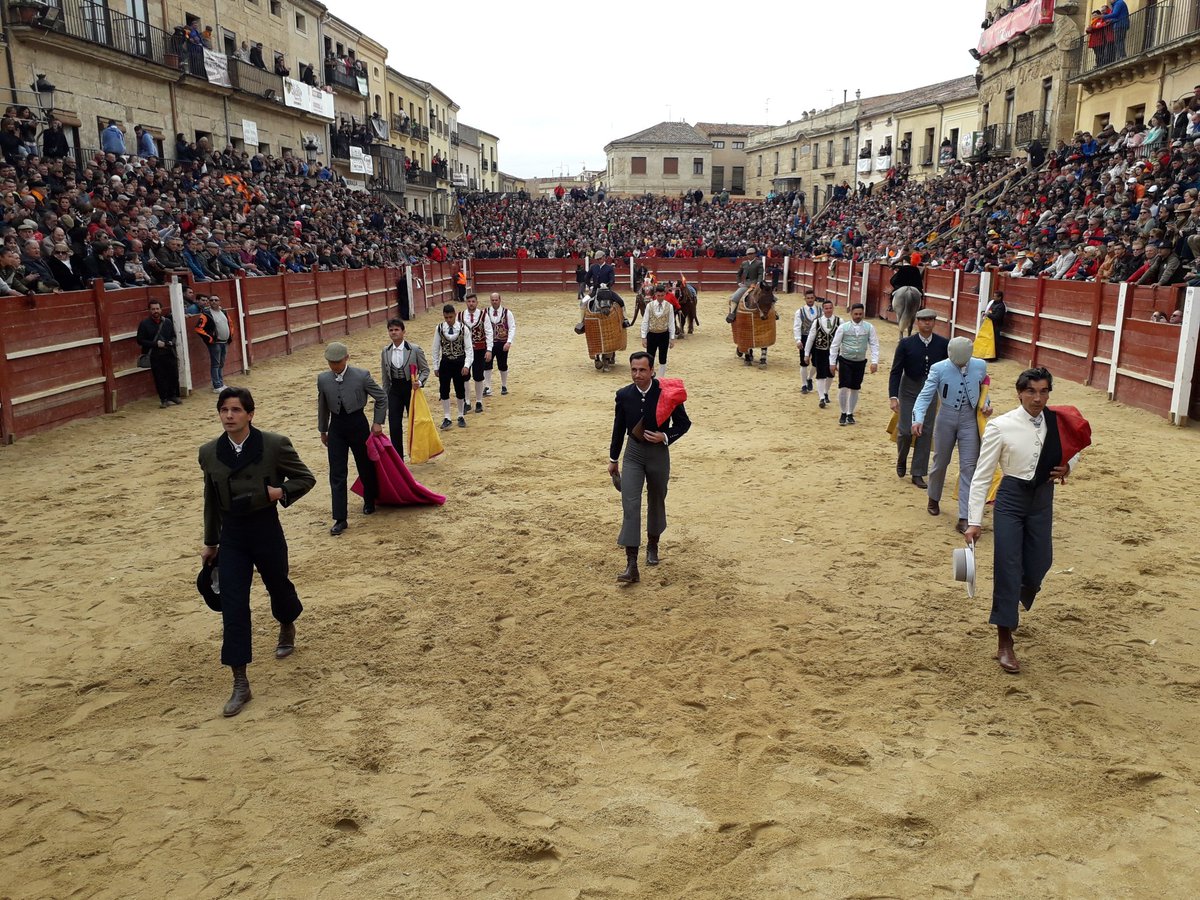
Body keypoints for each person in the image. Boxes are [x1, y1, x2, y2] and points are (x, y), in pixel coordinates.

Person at [199, 386, 315, 716]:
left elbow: (305, 478)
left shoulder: (273, 445)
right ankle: (240, 683)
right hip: (233, 534)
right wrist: (211, 543)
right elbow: (210, 501)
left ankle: (287, 622)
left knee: (278, 585)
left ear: (250, 414)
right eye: (224, 410)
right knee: (234, 605)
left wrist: (281, 491)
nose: (229, 416)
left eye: (236, 410)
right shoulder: (209, 452)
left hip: (265, 527)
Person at [965, 368, 1081, 674]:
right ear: (1020, 392)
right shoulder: (1001, 426)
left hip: (1043, 499)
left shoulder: (1057, 421)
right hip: (1012, 500)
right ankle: (1005, 639)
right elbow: (982, 476)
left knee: (1041, 562)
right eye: (1031, 391)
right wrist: (974, 520)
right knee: (1007, 566)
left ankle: (1013, 599)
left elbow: (1073, 450)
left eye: (1044, 392)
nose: (1038, 398)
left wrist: (1068, 466)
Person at [607, 351, 691, 584]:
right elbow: (618, 428)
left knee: (656, 499)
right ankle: (631, 564)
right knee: (630, 503)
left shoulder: (667, 393)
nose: (637, 375)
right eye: (633, 370)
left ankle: (652, 545)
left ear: (652, 370)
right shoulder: (623, 395)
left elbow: (684, 424)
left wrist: (665, 436)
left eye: (642, 370)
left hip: (657, 454)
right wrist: (613, 459)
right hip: (632, 453)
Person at [913, 336, 992, 533]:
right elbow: (925, 395)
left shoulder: (980, 366)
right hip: (946, 418)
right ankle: (933, 496)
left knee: (969, 467)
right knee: (940, 461)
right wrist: (918, 418)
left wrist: (986, 406)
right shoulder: (939, 368)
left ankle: (965, 516)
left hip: (969, 419)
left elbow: (983, 391)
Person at [317, 342, 387, 536]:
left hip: (358, 424)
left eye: (337, 362)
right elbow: (322, 406)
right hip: (336, 427)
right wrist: (323, 430)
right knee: (337, 472)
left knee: (365, 465)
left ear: (347, 358)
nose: (334, 366)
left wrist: (378, 422)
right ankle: (340, 518)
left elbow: (381, 397)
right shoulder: (323, 379)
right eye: (331, 363)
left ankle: (369, 500)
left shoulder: (361, 376)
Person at [889, 308, 949, 486]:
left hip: (930, 391)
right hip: (908, 389)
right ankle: (902, 458)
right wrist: (893, 396)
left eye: (930, 320)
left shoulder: (943, 344)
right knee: (906, 430)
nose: (927, 323)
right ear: (917, 322)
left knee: (925, 430)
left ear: (934, 322)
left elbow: (948, 369)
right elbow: (896, 371)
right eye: (923, 320)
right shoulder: (906, 343)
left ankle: (918, 472)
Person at [380, 317, 430, 458]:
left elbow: (425, 370)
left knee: (416, 423)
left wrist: (419, 382)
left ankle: (418, 454)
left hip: (411, 390)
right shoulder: (385, 351)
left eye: (397, 330)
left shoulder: (414, 349)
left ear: (403, 332)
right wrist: (384, 396)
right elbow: (385, 377)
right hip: (394, 390)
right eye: (391, 330)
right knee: (394, 425)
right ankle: (398, 459)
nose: (394, 333)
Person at [828, 302, 880, 425]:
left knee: (855, 388)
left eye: (860, 314)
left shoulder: (869, 327)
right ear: (851, 314)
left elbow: (874, 344)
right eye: (855, 314)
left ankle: (850, 413)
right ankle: (843, 412)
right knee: (844, 387)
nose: (858, 316)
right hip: (845, 360)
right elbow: (834, 346)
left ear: (863, 314)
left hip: (860, 361)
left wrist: (874, 362)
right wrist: (832, 362)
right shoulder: (843, 327)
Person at [430, 302, 472, 429]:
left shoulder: (464, 329)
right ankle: (447, 416)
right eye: (446, 318)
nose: (448, 320)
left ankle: (460, 415)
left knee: (460, 389)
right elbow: (435, 349)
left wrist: (466, 365)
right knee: (444, 389)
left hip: (460, 362)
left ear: (455, 315)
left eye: (450, 317)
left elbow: (469, 349)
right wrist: (436, 366)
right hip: (446, 362)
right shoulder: (439, 329)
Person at [136, 299, 181, 408]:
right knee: (160, 378)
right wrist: (155, 344)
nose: (155, 311)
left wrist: (171, 342)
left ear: (161, 309)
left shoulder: (168, 322)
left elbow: (174, 336)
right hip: (155, 355)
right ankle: (164, 399)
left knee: (173, 375)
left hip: (169, 352)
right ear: (149, 310)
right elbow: (140, 340)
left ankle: (173, 396)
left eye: (157, 308)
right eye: (153, 309)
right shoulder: (144, 324)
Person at [803, 299, 841, 409]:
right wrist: (806, 353)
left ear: (832, 309)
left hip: (834, 352)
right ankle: (821, 398)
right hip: (820, 351)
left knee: (831, 374)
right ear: (823, 310)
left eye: (830, 308)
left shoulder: (840, 321)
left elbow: (844, 339)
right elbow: (810, 338)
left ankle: (825, 392)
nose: (828, 310)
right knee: (820, 374)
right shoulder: (817, 322)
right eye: (826, 308)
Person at [193, 294, 234, 392]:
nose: (214, 302)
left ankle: (220, 383)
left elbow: (230, 324)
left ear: (219, 302)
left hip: (224, 342)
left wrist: (230, 336)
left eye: (216, 300)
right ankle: (217, 385)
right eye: (211, 300)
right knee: (216, 364)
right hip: (215, 343)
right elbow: (198, 328)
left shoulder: (224, 312)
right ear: (209, 302)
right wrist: (210, 339)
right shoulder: (206, 314)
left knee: (221, 363)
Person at [458, 293, 491, 413]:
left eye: (473, 301)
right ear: (466, 303)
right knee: (465, 376)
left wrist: (489, 349)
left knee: (478, 376)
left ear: (477, 303)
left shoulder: (483, 315)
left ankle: (478, 401)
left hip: (479, 349)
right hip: (465, 351)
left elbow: (489, 333)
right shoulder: (460, 316)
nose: (471, 304)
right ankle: (467, 401)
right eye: (469, 302)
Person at [483, 291, 516, 396]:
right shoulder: (485, 312)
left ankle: (504, 385)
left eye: (496, 300)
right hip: (489, 344)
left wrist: (509, 342)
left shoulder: (507, 313)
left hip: (502, 343)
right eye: (492, 300)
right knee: (487, 365)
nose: (494, 302)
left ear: (500, 300)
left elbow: (512, 328)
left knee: (502, 364)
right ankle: (487, 387)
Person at [640, 286, 676, 379]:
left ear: (665, 295)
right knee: (650, 357)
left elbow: (671, 322)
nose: (660, 297)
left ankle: (661, 378)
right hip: (651, 334)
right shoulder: (649, 306)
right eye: (658, 295)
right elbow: (645, 321)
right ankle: (651, 375)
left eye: (662, 295)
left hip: (664, 334)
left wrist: (672, 338)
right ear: (655, 295)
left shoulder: (669, 306)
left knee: (663, 357)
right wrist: (644, 337)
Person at [792, 288, 819, 393]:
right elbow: (797, 326)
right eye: (808, 298)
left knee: (816, 363)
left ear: (814, 298)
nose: (810, 300)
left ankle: (809, 378)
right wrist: (798, 340)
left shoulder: (820, 310)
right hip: (804, 337)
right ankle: (803, 385)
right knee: (804, 362)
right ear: (805, 299)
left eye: (812, 298)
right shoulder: (799, 312)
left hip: (817, 339)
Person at [726, 250, 764, 322]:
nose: (749, 255)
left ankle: (774, 312)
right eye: (748, 254)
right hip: (746, 285)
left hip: (756, 283)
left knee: (768, 296)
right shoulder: (744, 263)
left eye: (751, 254)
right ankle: (732, 313)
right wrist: (739, 283)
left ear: (754, 254)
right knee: (734, 298)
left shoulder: (759, 263)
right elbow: (738, 274)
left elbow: (760, 274)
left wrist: (759, 282)